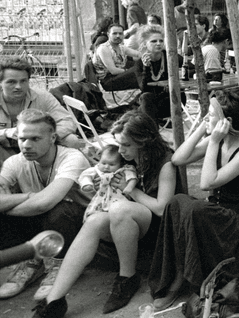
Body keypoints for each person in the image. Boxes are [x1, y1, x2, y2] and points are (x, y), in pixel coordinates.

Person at [35, 111, 178, 317]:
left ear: (144, 141)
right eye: (118, 144)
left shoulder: (165, 163)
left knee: (118, 208)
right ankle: (54, 300)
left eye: (126, 145)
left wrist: (131, 191)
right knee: (94, 221)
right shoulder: (126, 157)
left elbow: (162, 209)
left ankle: (127, 277)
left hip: (158, 229)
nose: (121, 150)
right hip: (126, 223)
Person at [149, 90, 239, 311]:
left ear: (226, 122)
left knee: (198, 209)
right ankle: (175, 278)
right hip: (215, 217)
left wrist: (213, 142)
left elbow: (206, 183)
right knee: (176, 203)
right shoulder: (217, 139)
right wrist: (204, 127)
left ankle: (186, 280)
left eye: (210, 115)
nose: (205, 117)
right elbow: (178, 158)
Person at [0, 109, 90, 302]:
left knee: (58, 209)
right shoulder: (14, 162)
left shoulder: (72, 158)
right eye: (22, 139)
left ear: (52, 137)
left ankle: (58, 264)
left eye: (35, 139)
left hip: (80, 226)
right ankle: (32, 262)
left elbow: (45, 203)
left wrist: (10, 204)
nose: (26, 145)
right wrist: (30, 196)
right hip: (40, 222)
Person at [0, 59, 83, 165]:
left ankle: (63, 175)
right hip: (5, 147)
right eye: (11, 82)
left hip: (38, 146)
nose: (18, 87)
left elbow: (66, 120)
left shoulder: (42, 97)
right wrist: (7, 133)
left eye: (23, 81)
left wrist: (42, 136)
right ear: (1, 83)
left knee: (71, 140)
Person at [78, 144, 138, 222]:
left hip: (119, 200)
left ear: (121, 164)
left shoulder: (123, 170)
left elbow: (132, 177)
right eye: (103, 163)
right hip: (100, 201)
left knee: (117, 216)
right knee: (93, 216)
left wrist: (129, 187)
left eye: (111, 164)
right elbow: (85, 175)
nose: (106, 167)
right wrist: (87, 184)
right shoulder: (96, 170)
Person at [136, 25, 182, 122]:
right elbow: (144, 88)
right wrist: (146, 67)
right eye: (154, 41)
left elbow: (185, 64)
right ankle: (152, 129)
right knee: (145, 98)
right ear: (145, 44)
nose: (158, 43)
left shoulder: (169, 56)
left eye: (161, 41)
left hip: (170, 99)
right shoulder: (140, 63)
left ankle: (151, 126)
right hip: (150, 102)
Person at [93, 23, 141, 91]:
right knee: (139, 75)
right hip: (107, 81)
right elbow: (114, 71)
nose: (118, 36)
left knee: (143, 73)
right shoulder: (104, 48)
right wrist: (132, 71)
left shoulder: (121, 47)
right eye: (114, 33)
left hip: (119, 77)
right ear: (108, 34)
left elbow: (138, 55)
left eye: (120, 33)